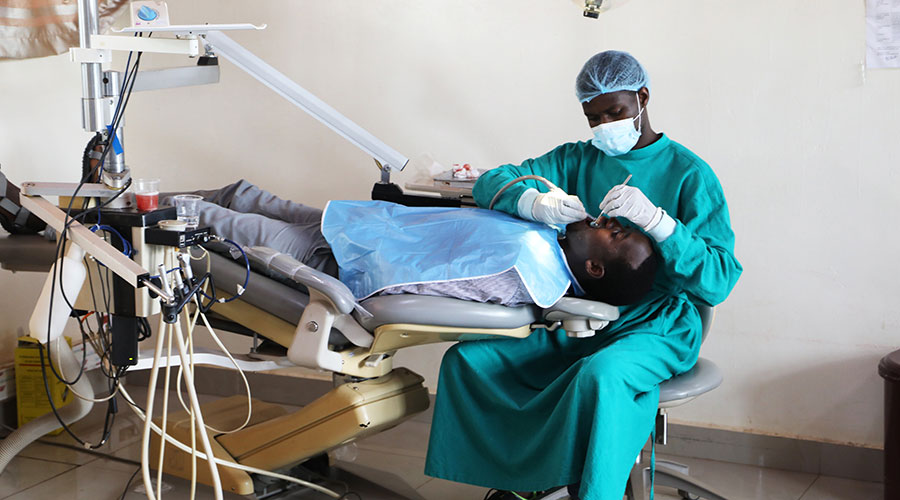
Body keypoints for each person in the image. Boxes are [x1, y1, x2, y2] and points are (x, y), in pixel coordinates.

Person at [423, 51, 742, 500]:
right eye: (594, 117)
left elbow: (720, 280)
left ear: (642, 97)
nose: (604, 126)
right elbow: (494, 181)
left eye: (615, 112)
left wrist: (661, 225)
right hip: (583, 315)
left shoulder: (689, 174)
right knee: (471, 360)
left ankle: (593, 490)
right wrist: (533, 203)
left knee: (602, 375)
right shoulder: (577, 160)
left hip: (661, 324)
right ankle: (524, 481)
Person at [160, 180, 658, 307]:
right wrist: (531, 199)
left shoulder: (527, 273)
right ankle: (132, 195)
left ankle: (106, 207)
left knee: (207, 219)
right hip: (356, 224)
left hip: (331, 259)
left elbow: (422, 286)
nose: (604, 220)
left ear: (594, 269)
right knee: (242, 195)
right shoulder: (548, 236)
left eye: (613, 234)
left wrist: (338, 277)